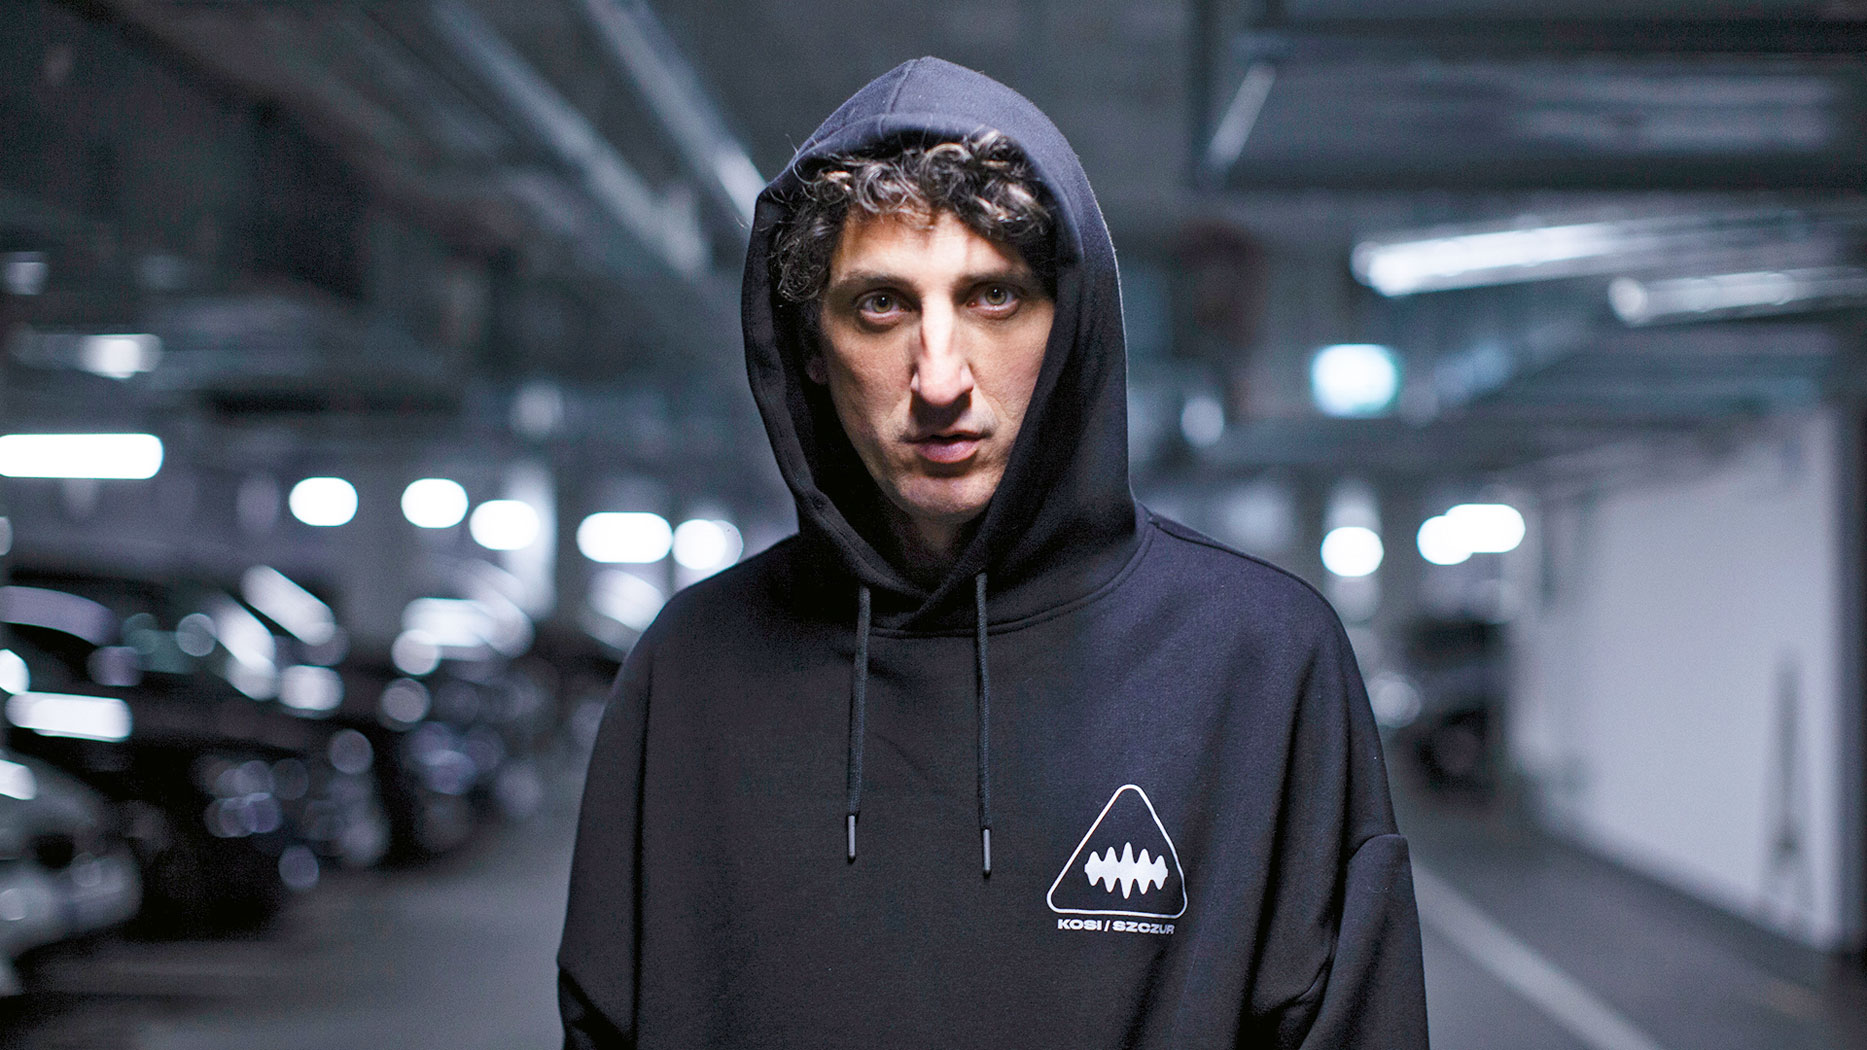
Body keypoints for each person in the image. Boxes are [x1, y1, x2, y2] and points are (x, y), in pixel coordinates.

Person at [559, 57, 1427, 1048]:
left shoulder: (1259, 661)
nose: (939, 380)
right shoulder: (690, 667)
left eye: (993, 298)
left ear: (1070, 325)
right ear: (810, 348)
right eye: (880, 305)